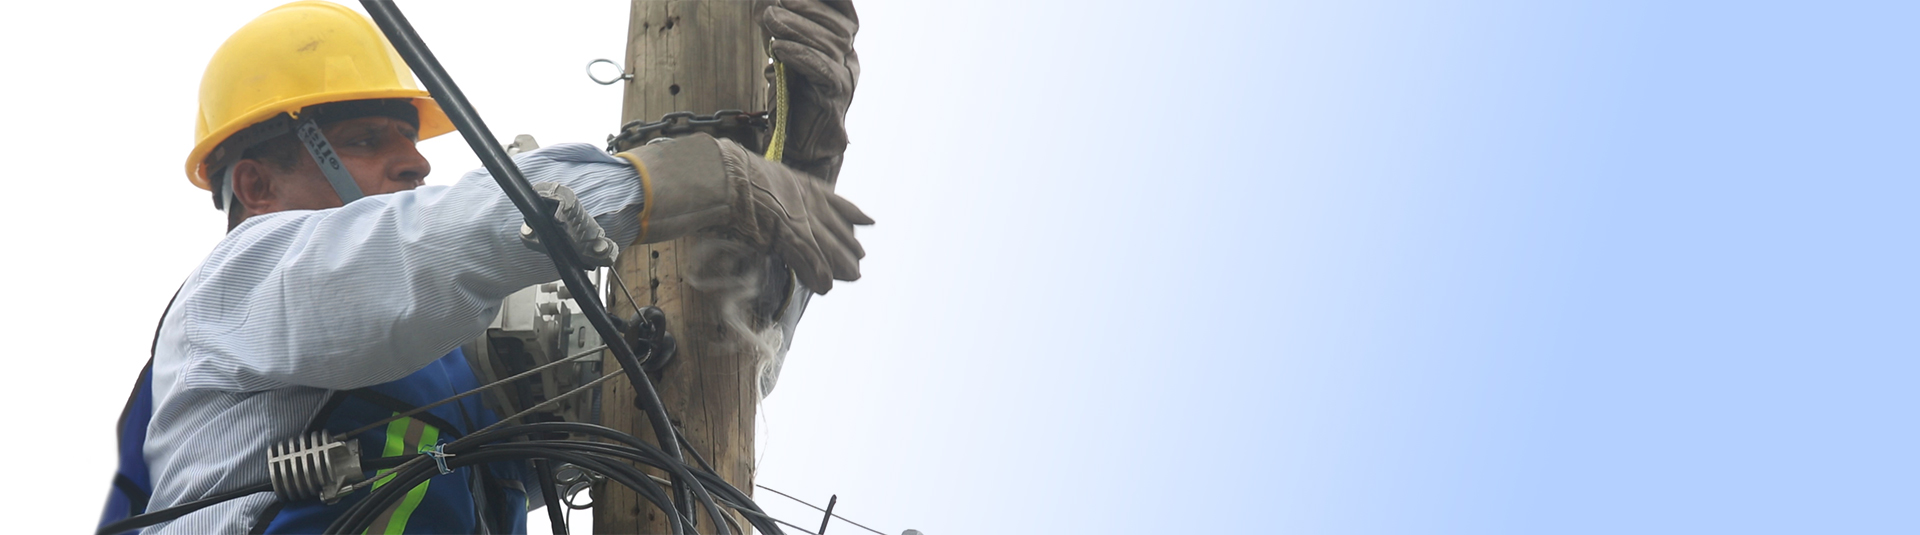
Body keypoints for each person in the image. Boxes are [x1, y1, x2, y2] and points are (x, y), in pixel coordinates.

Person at [98, 0, 867, 533]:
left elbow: (687, 391)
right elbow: (431, 244)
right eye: (368, 139)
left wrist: (798, 164)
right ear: (257, 185)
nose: (413, 165)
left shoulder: (455, 383)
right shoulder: (234, 293)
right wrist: (694, 176)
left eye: (412, 142)